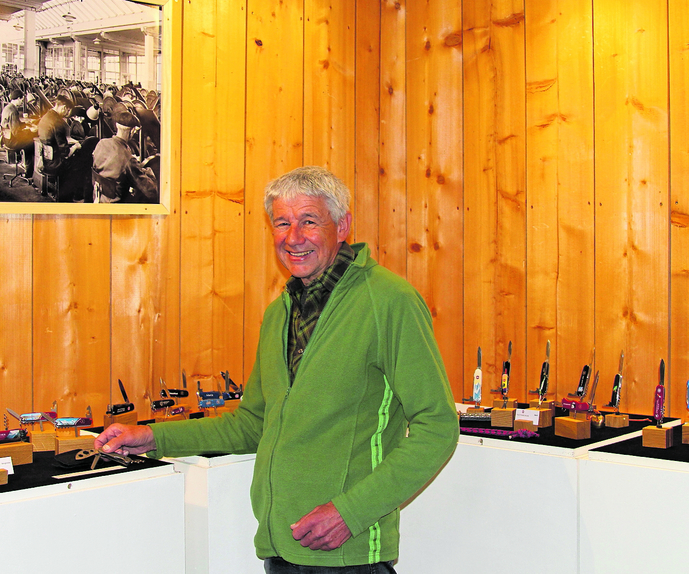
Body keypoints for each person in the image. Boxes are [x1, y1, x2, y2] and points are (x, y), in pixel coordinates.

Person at [96, 166, 459, 573]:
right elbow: (251, 425)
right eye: (282, 223)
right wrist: (150, 437)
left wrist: (349, 513)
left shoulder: (389, 302)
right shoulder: (279, 314)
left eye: (309, 221)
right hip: (281, 549)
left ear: (342, 226)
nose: (294, 237)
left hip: (349, 554)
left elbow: (437, 427)